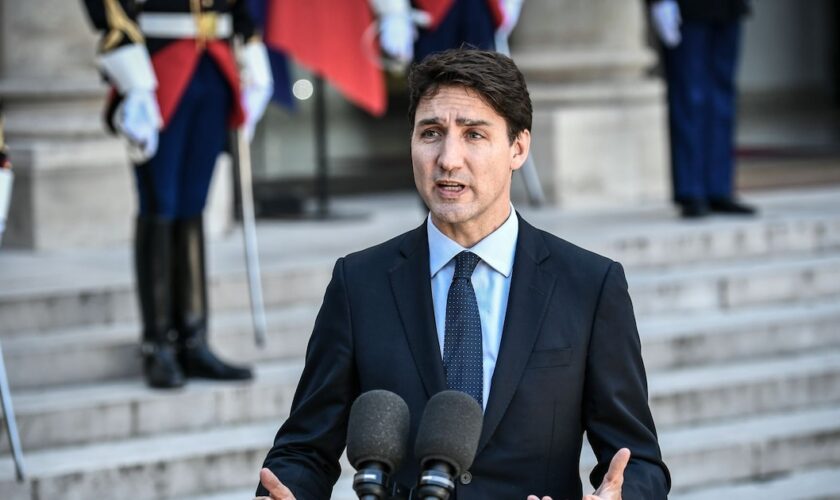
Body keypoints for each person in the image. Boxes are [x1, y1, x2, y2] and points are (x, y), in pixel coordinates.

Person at [256, 49, 670, 499]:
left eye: (473, 134)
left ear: (518, 147)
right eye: (431, 133)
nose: (448, 159)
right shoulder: (359, 284)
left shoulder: (589, 285)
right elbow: (303, 451)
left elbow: (638, 462)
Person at [82, 0, 273, 388]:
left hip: (214, 61)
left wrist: (251, 43)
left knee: (192, 204)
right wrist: (128, 68)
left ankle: (193, 338)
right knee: (161, 202)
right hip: (158, 63)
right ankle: (158, 343)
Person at [649, 0, 755, 218]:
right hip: (688, 8)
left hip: (728, 8)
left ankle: (719, 188)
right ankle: (691, 190)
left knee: (722, 98)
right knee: (689, 97)